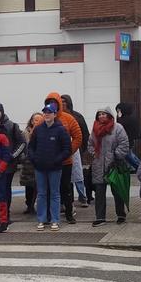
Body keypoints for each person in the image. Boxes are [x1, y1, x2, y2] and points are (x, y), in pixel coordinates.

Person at [29, 103, 71, 230]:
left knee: (54, 193)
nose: (46, 114)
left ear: (54, 114)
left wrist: (57, 160)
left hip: (55, 168)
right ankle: (41, 219)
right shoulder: (38, 129)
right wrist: (34, 159)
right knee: (41, 194)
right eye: (45, 112)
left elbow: (67, 149)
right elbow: (31, 147)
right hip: (40, 167)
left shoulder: (61, 129)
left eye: (49, 112)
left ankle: (55, 220)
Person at [88, 107, 130, 226]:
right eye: (99, 114)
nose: (101, 116)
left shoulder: (118, 128)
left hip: (114, 165)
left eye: (104, 114)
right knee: (99, 192)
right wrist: (94, 153)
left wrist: (115, 155)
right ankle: (100, 217)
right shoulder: (95, 130)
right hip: (99, 164)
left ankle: (121, 214)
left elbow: (124, 144)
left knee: (117, 191)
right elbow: (90, 144)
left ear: (109, 115)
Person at [45, 92, 82, 224]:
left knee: (66, 188)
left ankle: (69, 213)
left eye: (54, 102)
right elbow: (36, 137)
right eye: (49, 102)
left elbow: (78, 136)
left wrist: (68, 151)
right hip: (49, 161)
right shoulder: (45, 118)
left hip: (65, 161)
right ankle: (49, 215)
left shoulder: (68, 118)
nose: (52, 104)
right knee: (50, 188)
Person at [0, 103, 26, 211]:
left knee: (5, 189)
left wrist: (12, 156)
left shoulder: (12, 125)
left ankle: (5, 213)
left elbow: (22, 143)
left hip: (8, 164)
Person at [61, 94, 91, 207]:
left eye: (65, 101)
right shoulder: (57, 116)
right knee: (66, 178)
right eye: (61, 101)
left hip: (76, 149)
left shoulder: (77, 116)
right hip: (62, 153)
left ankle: (82, 197)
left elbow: (84, 133)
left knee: (78, 176)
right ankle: (68, 201)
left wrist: (83, 148)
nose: (63, 103)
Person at [19, 112, 42, 215]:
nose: (37, 122)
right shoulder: (25, 133)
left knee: (38, 186)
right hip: (28, 164)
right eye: (35, 120)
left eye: (39, 120)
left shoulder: (43, 131)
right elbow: (22, 146)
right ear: (32, 121)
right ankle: (29, 205)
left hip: (39, 163)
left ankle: (36, 204)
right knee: (28, 186)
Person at [115, 102, 141, 169]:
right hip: (127, 140)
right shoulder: (127, 117)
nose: (118, 112)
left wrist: (119, 117)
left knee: (129, 155)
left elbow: (121, 126)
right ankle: (134, 167)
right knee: (128, 155)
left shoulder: (126, 118)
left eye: (119, 110)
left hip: (128, 140)